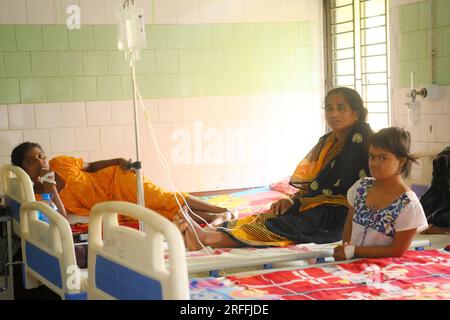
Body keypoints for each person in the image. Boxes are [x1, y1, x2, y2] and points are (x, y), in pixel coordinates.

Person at [175, 87, 374, 250]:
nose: (333, 114)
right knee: (270, 215)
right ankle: (210, 234)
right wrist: (291, 199)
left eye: (341, 108)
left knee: (287, 225)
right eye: (329, 108)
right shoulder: (329, 141)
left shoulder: (364, 139)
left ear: (355, 113)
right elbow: (315, 183)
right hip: (317, 205)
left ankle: (208, 239)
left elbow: (364, 184)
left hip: (340, 215)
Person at [10, 142, 231, 224]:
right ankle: (214, 218)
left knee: (160, 198)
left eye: (41, 156)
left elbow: (92, 166)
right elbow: (63, 219)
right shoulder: (39, 198)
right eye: (31, 161)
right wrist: (51, 189)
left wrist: (118, 161)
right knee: (160, 214)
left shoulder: (61, 163)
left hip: (116, 180)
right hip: (111, 206)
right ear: (23, 171)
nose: (39, 162)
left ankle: (223, 210)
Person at [333, 127, 428, 261]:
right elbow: (349, 224)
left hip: (383, 269)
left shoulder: (408, 204)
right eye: (371, 157)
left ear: (401, 161)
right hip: (351, 263)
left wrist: (353, 251)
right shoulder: (361, 187)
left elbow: (397, 250)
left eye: (383, 158)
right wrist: (346, 249)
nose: (374, 163)